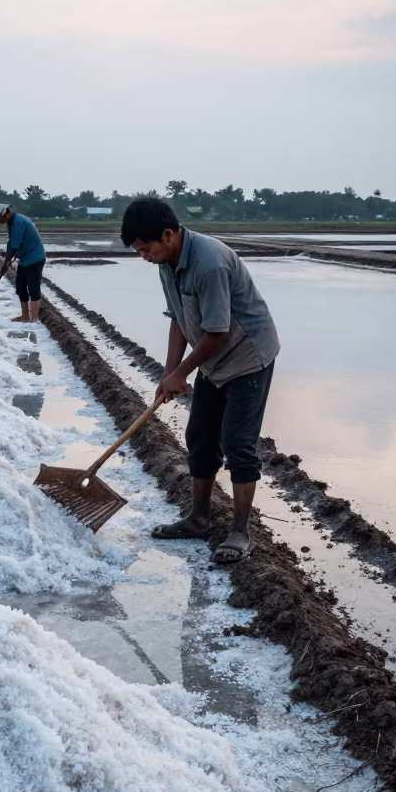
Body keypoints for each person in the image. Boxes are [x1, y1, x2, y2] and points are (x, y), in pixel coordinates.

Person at [121, 197, 280, 563]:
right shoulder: (167, 262)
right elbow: (179, 318)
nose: (144, 256)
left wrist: (183, 371)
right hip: (213, 361)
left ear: (167, 234)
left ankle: (240, 532)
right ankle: (198, 519)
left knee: (238, 443)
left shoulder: (208, 263)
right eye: (138, 251)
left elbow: (218, 330)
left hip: (247, 358)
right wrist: (169, 372)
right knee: (200, 438)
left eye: (146, 249)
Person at [0, 203, 46, 323]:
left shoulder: (18, 221)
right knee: (20, 287)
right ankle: (25, 316)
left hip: (35, 258)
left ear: (4, 214)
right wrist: (7, 261)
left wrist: (5, 264)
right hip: (25, 258)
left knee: (33, 288)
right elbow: (12, 244)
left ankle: (34, 319)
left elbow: (14, 246)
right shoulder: (11, 223)